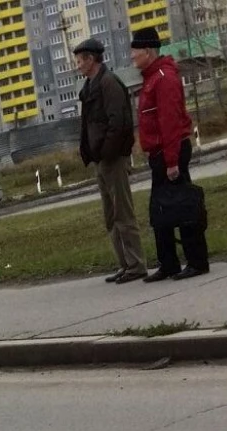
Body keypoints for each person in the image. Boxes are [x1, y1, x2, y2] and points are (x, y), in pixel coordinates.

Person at [130, 27, 210, 282]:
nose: (132, 57)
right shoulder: (151, 78)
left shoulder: (164, 78)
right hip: (158, 154)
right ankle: (169, 263)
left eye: (135, 51)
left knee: (182, 206)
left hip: (170, 152)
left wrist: (172, 161)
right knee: (160, 210)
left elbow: (171, 122)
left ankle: (196, 260)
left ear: (148, 51)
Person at [75, 38, 147, 284]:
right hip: (100, 159)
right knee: (110, 215)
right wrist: (88, 151)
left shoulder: (109, 84)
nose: (78, 66)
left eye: (80, 60)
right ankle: (124, 264)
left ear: (91, 59)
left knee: (123, 213)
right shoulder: (89, 87)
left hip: (113, 158)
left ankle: (136, 264)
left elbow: (119, 123)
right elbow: (88, 125)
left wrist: (107, 151)